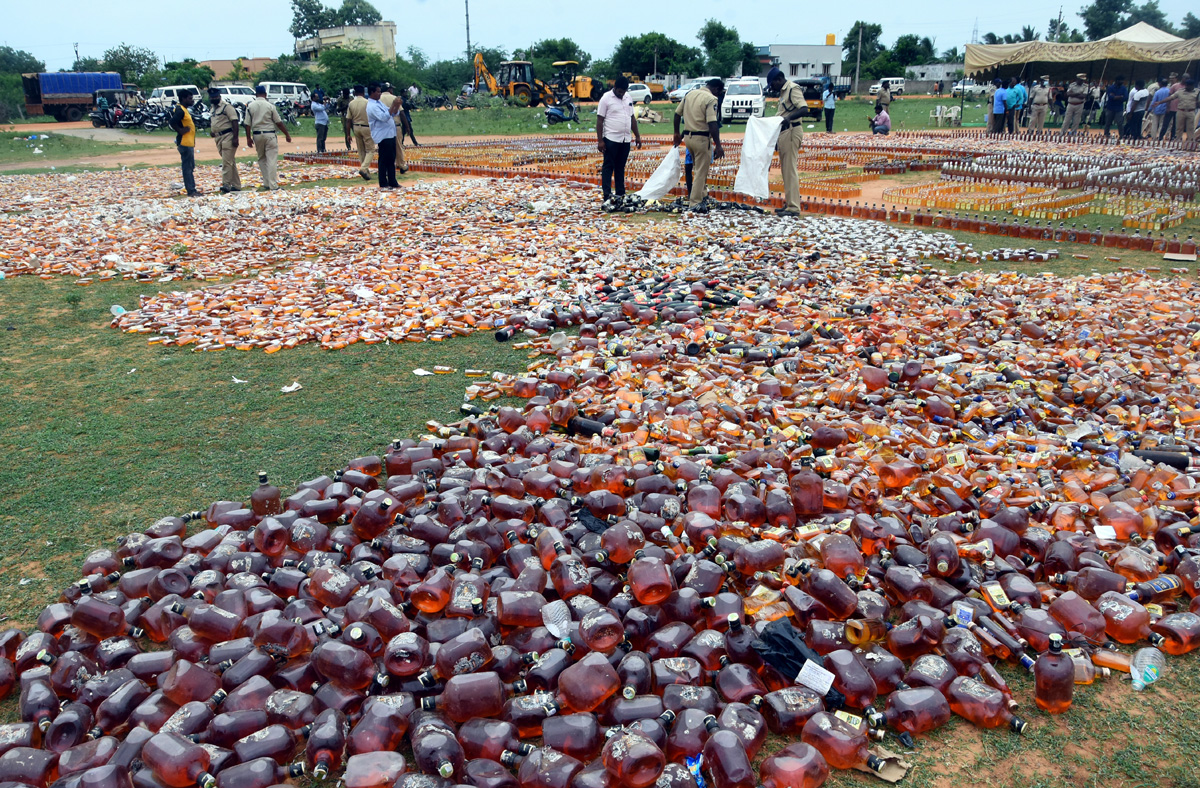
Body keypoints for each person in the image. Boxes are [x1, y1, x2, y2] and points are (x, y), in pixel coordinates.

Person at [672, 77, 725, 210]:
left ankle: (702, 195)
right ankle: (695, 202)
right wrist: (718, 145)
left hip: (688, 137)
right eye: (719, 92)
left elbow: (677, 114)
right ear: (716, 89)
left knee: (698, 168)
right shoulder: (711, 99)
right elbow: (712, 123)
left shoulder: (690, 94)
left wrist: (676, 133)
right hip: (702, 138)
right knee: (701, 171)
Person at [596, 76, 642, 206]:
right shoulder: (606, 98)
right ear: (615, 88)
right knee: (608, 166)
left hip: (625, 139)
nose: (622, 94)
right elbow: (600, 120)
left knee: (620, 167)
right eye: (620, 91)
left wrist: (637, 136)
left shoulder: (628, 98)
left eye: (624, 92)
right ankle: (607, 195)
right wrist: (600, 140)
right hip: (611, 138)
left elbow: (632, 117)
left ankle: (620, 193)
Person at [769, 71, 807, 216]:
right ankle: (790, 203)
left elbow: (804, 108)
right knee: (786, 170)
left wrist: (789, 118)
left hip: (792, 131)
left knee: (790, 170)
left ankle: (793, 207)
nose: (772, 87)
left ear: (779, 79)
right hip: (785, 132)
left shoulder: (792, 89)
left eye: (773, 83)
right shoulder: (784, 92)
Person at [243, 84, 292, 191]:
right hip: (269, 134)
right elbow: (278, 122)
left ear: (256, 94)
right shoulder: (270, 106)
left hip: (256, 135)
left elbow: (247, 124)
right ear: (265, 94)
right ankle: (273, 185)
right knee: (272, 159)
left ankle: (266, 183)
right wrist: (287, 134)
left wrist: (248, 138)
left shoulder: (250, 106)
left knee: (262, 159)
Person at [367, 82, 403, 189]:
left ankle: (392, 181)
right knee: (383, 160)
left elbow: (392, 113)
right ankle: (383, 182)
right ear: (372, 92)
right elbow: (384, 117)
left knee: (391, 159)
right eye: (378, 91)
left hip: (390, 134)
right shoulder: (372, 106)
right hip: (382, 136)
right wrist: (393, 105)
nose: (379, 94)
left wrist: (396, 106)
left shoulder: (379, 103)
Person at [207, 87, 241, 193]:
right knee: (230, 162)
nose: (214, 98)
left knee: (226, 162)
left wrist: (235, 138)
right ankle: (236, 185)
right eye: (212, 97)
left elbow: (235, 122)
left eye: (216, 96)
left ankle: (226, 184)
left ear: (219, 96)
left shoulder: (227, 107)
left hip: (228, 136)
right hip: (218, 138)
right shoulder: (212, 108)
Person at [168, 89, 199, 197]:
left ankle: (192, 188)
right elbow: (172, 122)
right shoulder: (180, 110)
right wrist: (180, 130)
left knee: (190, 167)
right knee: (187, 168)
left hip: (189, 143)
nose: (192, 101)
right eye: (190, 99)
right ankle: (191, 190)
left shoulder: (184, 109)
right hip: (185, 143)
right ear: (183, 99)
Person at [379, 84, 414, 175]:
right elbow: (401, 113)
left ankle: (386, 167)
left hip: (382, 126)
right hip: (395, 125)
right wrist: (407, 126)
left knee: (384, 147)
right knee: (398, 146)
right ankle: (401, 165)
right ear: (389, 89)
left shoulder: (378, 99)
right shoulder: (394, 98)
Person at [344, 85, 374, 181]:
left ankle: (366, 172)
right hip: (366, 127)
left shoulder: (351, 103)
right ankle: (364, 168)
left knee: (361, 150)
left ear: (355, 93)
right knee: (370, 150)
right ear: (363, 92)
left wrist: (348, 134)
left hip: (356, 127)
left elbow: (348, 120)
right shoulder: (367, 102)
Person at [1176, 77, 1197, 142]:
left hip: (1191, 112)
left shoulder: (1197, 92)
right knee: (1179, 128)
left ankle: (1190, 141)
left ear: (1192, 86)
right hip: (1181, 111)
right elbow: (1171, 97)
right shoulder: (1180, 91)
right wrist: (1160, 102)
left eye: (1189, 85)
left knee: (1190, 128)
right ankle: (1178, 140)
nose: (1187, 86)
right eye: (1186, 85)